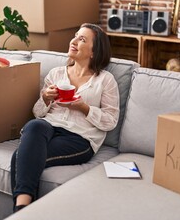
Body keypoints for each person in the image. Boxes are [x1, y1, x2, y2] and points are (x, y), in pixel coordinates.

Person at [10, 23, 120, 212]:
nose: (74, 41)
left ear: (94, 52)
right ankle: (25, 214)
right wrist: (45, 98)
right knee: (35, 125)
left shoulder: (105, 80)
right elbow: (38, 113)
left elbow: (110, 120)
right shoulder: (56, 74)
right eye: (75, 36)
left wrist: (84, 108)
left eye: (82, 39)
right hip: (48, 127)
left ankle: (20, 211)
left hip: (80, 138)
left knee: (20, 156)